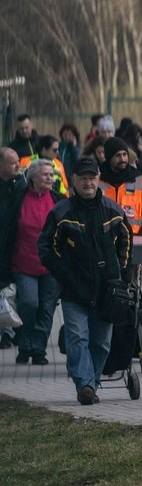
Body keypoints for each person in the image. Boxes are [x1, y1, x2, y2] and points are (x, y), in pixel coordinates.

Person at [38, 157, 133, 405]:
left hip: (107, 290)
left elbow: (126, 242)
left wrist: (122, 276)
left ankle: (91, 381)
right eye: (83, 178)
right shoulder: (61, 213)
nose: (88, 182)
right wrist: (65, 275)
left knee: (101, 343)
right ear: (74, 181)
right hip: (74, 291)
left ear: (99, 179)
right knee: (77, 338)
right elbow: (47, 249)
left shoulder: (114, 211)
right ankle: (85, 385)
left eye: (92, 177)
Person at [8, 159, 65, 364]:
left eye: (52, 174)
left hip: (51, 266)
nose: (50, 178)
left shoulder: (59, 200)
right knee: (29, 304)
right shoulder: (19, 199)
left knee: (47, 308)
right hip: (24, 264)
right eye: (45, 174)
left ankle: (38, 350)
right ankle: (25, 344)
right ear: (32, 177)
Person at [0, 147, 27, 349]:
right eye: (12, 162)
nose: (18, 165)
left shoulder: (22, 186)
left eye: (18, 160)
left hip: (15, 248)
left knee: (10, 290)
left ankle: (9, 331)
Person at [99, 137, 142, 235]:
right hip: (104, 239)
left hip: (133, 239)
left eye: (124, 154)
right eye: (118, 155)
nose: (122, 159)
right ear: (109, 157)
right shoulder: (97, 181)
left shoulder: (141, 181)